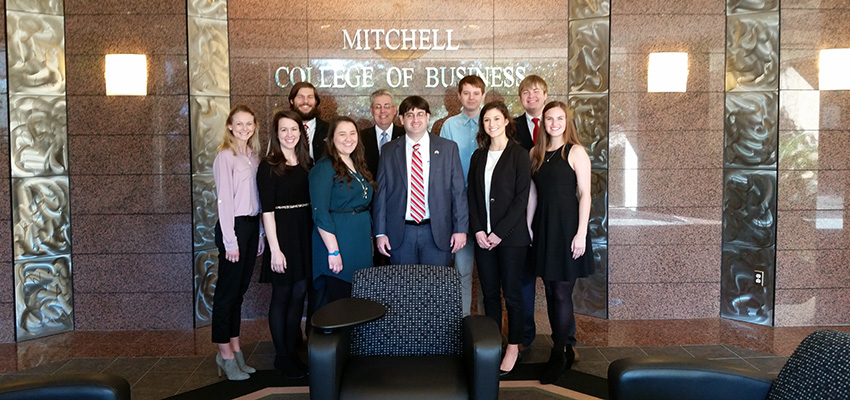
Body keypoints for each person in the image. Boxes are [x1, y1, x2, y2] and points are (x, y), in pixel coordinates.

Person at [528, 100, 594, 384]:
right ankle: (562, 346)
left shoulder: (576, 151)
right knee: (552, 290)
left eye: (559, 118)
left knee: (562, 294)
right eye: (549, 119)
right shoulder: (536, 152)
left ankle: (559, 351)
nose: (554, 123)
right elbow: (533, 193)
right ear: (543, 122)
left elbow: (586, 195)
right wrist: (530, 228)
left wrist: (581, 233)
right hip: (544, 228)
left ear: (567, 121)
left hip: (568, 230)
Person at [467, 101, 531, 376]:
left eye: (496, 119)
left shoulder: (519, 155)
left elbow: (521, 200)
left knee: (513, 295)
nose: (491, 124)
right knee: (490, 295)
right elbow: (471, 197)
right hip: (483, 240)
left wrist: (498, 233)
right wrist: (480, 230)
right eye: (486, 120)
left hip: (512, 239)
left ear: (506, 121)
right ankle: (493, 344)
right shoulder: (478, 156)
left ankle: (514, 346)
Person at [373, 96, 467, 267]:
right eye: (410, 115)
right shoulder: (388, 151)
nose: (415, 120)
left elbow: (458, 192)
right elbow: (381, 194)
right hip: (400, 233)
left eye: (420, 114)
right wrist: (380, 232)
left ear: (428, 117)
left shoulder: (448, 148)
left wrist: (460, 229)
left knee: (435, 288)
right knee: (403, 289)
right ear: (401, 119)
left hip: (437, 231)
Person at [257, 110, 312, 379]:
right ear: (276, 134)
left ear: (301, 132)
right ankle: (282, 356)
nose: (289, 134)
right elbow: (267, 211)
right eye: (283, 130)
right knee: (282, 296)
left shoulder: (306, 162)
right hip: (282, 236)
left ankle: (292, 351)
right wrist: (274, 249)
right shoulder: (268, 166)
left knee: (300, 293)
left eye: (293, 129)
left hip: (304, 234)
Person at [211, 104, 264, 381]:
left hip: (251, 227)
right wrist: (230, 241)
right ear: (230, 126)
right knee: (226, 294)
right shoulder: (226, 156)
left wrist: (260, 236)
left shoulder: (252, 156)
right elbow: (224, 202)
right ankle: (225, 354)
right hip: (233, 228)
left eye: (249, 123)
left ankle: (235, 349)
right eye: (238, 124)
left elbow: (257, 198)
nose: (244, 128)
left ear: (254, 126)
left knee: (238, 294)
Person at [308, 116, 375, 305]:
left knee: (356, 302)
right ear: (332, 139)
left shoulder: (356, 164)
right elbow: (320, 212)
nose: (348, 138)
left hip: (358, 243)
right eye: (342, 134)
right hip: (338, 243)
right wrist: (333, 251)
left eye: (352, 133)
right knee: (339, 304)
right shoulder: (324, 168)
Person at [440, 75, 485, 317]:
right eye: (466, 93)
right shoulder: (449, 126)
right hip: (458, 207)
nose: (471, 97)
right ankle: (464, 325)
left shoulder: (490, 123)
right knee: (462, 270)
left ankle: (488, 329)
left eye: (476, 93)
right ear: (459, 96)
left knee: (489, 276)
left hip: (486, 206)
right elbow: (444, 167)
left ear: (483, 96)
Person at [514, 74, 550, 352]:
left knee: (555, 282)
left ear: (545, 95)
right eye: (526, 92)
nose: (531, 96)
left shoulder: (556, 124)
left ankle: (565, 340)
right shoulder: (511, 127)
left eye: (536, 91)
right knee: (524, 279)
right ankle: (525, 338)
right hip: (520, 212)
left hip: (552, 213)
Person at [360, 89, 405, 179]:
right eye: (378, 107)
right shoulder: (360, 137)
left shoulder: (405, 136)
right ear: (371, 111)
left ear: (395, 110)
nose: (382, 111)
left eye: (387, 106)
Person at [289, 82, 329, 160]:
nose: (305, 101)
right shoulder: (282, 130)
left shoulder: (329, 130)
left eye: (310, 97)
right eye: (300, 97)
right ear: (292, 101)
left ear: (316, 101)